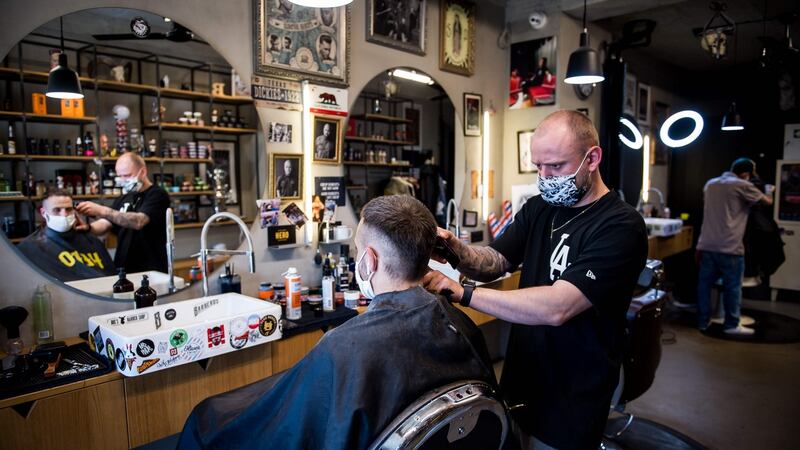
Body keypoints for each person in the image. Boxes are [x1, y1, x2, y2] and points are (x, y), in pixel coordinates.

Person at [177, 195, 496, 449]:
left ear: (369, 261)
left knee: (207, 418)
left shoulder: (342, 348)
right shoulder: (460, 323)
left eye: (359, 250)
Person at [424, 110, 648, 449]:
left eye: (555, 166)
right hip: (523, 378)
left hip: (573, 394)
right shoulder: (540, 209)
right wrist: (458, 252)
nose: (545, 177)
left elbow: (558, 306)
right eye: (538, 166)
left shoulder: (620, 226)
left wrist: (462, 292)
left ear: (593, 158)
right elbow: (497, 260)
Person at [696, 158, 773, 335]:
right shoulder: (743, 185)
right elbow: (767, 202)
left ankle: (702, 322)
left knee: (704, 286)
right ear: (746, 174)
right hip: (730, 246)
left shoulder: (711, 184)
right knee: (732, 287)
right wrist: (769, 191)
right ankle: (731, 325)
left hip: (706, 243)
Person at [76, 152, 170, 273]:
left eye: (126, 175)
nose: (122, 180)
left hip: (151, 268)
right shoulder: (123, 198)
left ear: (143, 172)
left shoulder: (157, 195)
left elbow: (139, 221)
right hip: (124, 266)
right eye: (120, 176)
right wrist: (88, 227)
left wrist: (100, 210)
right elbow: (106, 223)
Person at [18, 189, 114, 282]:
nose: (64, 214)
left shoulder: (91, 240)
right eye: (57, 210)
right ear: (43, 213)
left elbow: (111, 277)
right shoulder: (31, 247)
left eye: (68, 209)